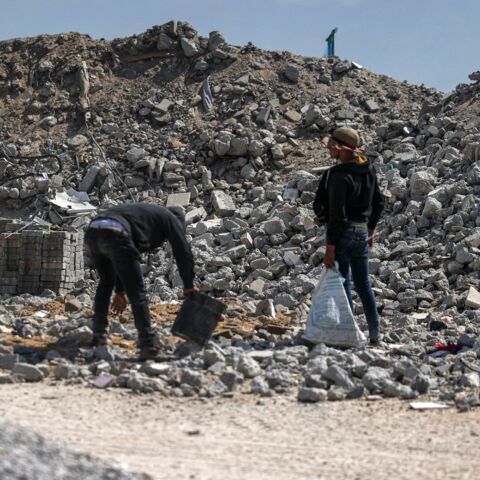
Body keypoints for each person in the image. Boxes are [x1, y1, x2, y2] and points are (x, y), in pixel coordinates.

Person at [85, 203, 197, 360]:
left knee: (105, 282)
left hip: (93, 231)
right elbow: (182, 251)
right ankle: (148, 346)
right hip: (116, 232)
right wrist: (189, 286)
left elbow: (122, 259)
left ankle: (98, 335)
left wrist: (120, 291)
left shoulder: (147, 216)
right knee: (137, 292)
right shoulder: (170, 219)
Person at [313, 127, 384, 344]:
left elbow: (337, 215)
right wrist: (370, 230)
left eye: (331, 147)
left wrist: (330, 247)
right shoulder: (369, 169)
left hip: (343, 233)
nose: (329, 150)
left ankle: (349, 334)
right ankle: (375, 335)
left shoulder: (338, 175)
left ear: (340, 149)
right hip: (362, 232)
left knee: (343, 282)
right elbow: (379, 202)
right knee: (363, 283)